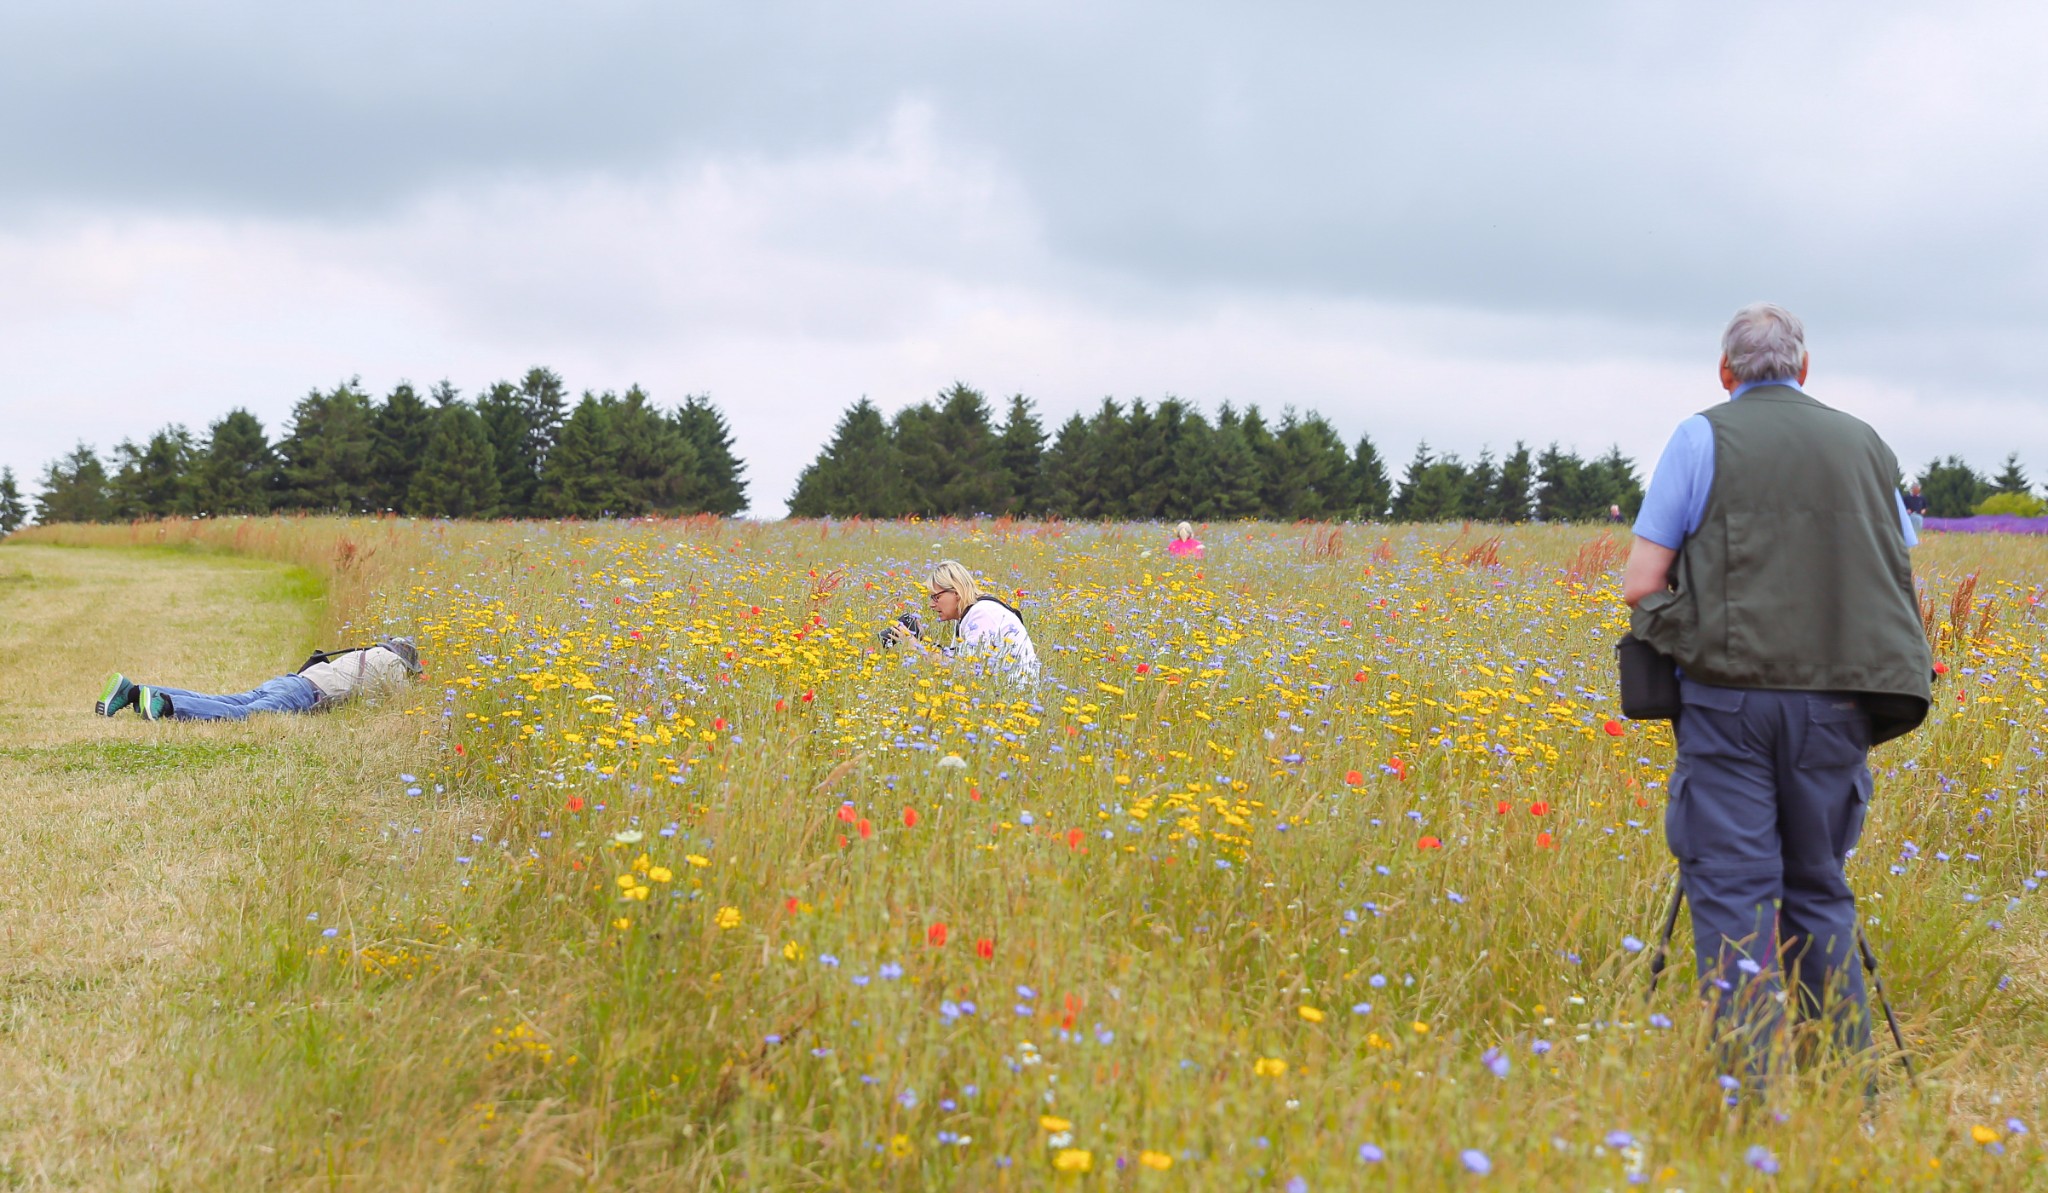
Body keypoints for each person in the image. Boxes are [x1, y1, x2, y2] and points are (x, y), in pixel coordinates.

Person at [1622, 304, 1930, 1077]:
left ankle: (1749, 1101)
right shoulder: (1866, 444)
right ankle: (1842, 1092)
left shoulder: (1700, 436)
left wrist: (1698, 642)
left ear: (1726, 373)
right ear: (1804, 368)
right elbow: (1890, 568)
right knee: (1819, 890)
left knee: (1732, 897)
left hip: (1728, 705)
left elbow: (1640, 583)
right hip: (1837, 705)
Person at [95, 636, 422, 721]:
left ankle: (135, 690)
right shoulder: (393, 663)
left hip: (292, 682)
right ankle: (166, 706)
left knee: (226, 701)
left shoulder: (368, 652)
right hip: (304, 695)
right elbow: (401, 702)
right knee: (242, 714)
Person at [882, 560, 1038, 678]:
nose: (931, 604)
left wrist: (916, 647)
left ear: (956, 592)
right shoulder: (969, 614)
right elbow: (956, 661)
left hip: (1013, 696)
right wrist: (924, 642)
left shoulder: (982, 613)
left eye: (936, 597)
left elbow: (968, 670)